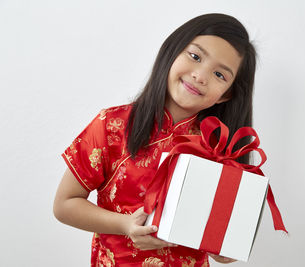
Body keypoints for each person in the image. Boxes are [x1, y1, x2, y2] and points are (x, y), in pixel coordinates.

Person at [53, 13, 257, 266]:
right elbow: (64, 204)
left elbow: (223, 249)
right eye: (195, 56)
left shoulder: (219, 148)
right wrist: (125, 225)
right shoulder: (112, 125)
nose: (200, 76)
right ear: (171, 52)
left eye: (220, 75)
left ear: (226, 95)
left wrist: (224, 248)